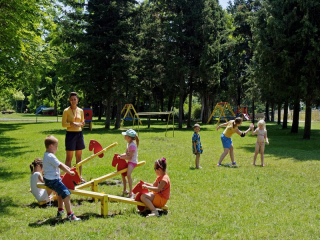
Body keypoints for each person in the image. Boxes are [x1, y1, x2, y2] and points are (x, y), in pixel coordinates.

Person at [43, 135, 81, 221]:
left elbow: (59, 162)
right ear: (51, 146)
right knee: (66, 194)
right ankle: (70, 215)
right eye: (56, 146)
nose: (57, 148)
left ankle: (60, 211)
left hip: (49, 179)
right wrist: (69, 172)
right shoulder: (51, 156)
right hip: (53, 180)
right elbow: (59, 165)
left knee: (60, 194)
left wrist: (67, 168)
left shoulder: (46, 155)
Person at [62, 92, 85, 183]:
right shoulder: (66, 111)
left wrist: (81, 124)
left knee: (79, 158)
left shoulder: (81, 111)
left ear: (77, 100)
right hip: (70, 135)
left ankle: (79, 177)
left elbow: (82, 123)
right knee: (69, 158)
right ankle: (66, 177)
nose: (73, 101)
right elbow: (63, 124)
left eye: (75, 99)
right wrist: (72, 124)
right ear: (69, 100)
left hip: (79, 134)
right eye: (71, 99)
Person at [119, 129, 139, 199]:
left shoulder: (132, 146)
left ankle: (131, 192)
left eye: (125, 135)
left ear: (129, 137)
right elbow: (127, 154)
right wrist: (121, 155)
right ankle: (125, 190)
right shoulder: (128, 144)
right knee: (123, 174)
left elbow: (130, 157)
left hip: (132, 161)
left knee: (128, 175)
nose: (124, 136)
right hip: (129, 160)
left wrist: (122, 158)